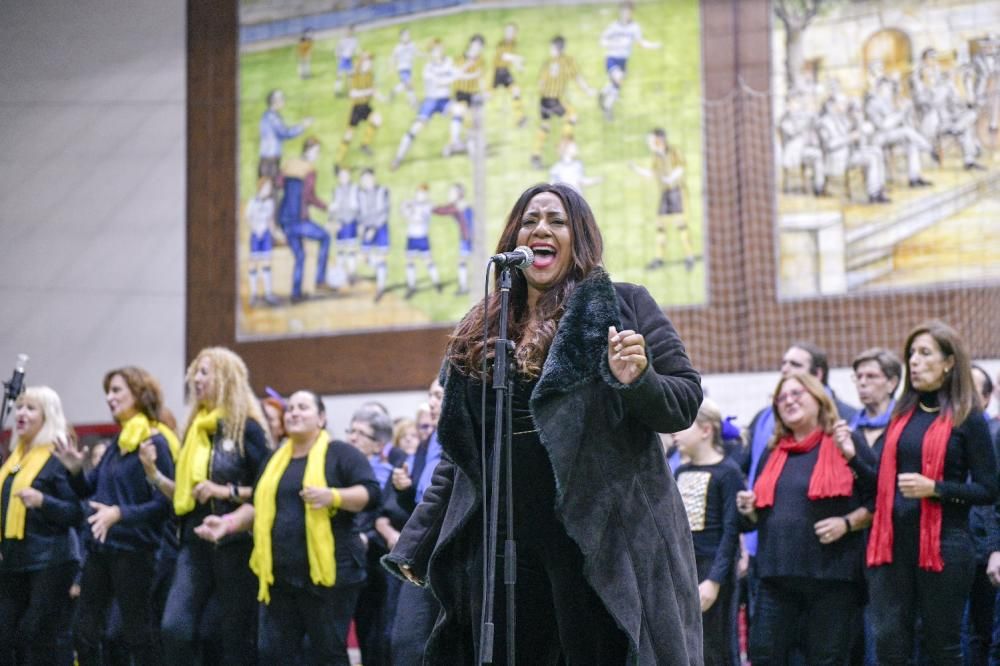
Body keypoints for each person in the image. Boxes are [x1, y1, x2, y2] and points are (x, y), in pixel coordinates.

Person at [383, 183, 704, 663]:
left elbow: (683, 401)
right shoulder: (480, 327)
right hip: (506, 549)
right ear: (514, 239)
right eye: (530, 220)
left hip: (601, 543)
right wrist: (418, 539)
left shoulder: (623, 304)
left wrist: (638, 380)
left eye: (557, 220)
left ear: (580, 237)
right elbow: (461, 451)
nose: (541, 229)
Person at [195, 390, 380, 665]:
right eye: (290, 408)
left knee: (328, 655)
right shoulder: (273, 460)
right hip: (280, 578)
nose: (293, 412)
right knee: (273, 655)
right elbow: (257, 506)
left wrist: (334, 496)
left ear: (321, 418)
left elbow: (371, 494)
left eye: (302, 407)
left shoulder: (341, 453)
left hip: (330, 579)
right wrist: (228, 523)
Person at [866, 321, 997, 664]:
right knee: (890, 645)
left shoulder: (968, 417)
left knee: (942, 647)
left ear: (949, 362)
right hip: (893, 547)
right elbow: (881, 479)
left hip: (945, 547)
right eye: (911, 353)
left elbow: (989, 489)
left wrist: (936, 488)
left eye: (925, 353)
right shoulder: (901, 414)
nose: (914, 361)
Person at [736, 372, 875, 664]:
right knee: (764, 656)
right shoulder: (773, 452)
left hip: (832, 578)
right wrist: (748, 509)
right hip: (776, 576)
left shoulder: (845, 441)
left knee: (827, 659)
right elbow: (755, 520)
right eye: (782, 398)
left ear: (819, 398)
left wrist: (847, 523)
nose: (789, 401)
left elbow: (879, 499)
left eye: (797, 394)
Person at [151, 348, 269, 665]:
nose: (196, 379)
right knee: (174, 627)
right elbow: (186, 493)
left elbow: (268, 490)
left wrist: (225, 490)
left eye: (205, 372)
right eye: (195, 373)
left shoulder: (248, 429)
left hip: (236, 545)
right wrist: (154, 475)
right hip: (192, 542)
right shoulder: (194, 431)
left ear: (227, 379)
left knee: (228, 638)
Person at [53, 367, 176, 666]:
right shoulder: (117, 445)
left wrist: (120, 514)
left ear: (139, 393)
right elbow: (88, 489)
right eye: (108, 391)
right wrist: (73, 469)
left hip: (135, 551)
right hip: (101, 550)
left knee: (136, 635)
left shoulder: (154, 442)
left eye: (117, 390)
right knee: (84, 633)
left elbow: (165, 506)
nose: (109, 397)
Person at [0, 386, 82, 666]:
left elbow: (76, 512)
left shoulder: (57, 459)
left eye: (30, 408)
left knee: (35, 637)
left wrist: (43, 501)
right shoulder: (13, 460)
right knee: (5, 636)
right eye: (20, 407)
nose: (21, 413)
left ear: (47, 416)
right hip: (13, 560)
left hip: (50, 560)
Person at [673, 398, 745, 666]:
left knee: (716, 646)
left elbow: (731, 532)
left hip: (713, 571)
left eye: (683, 426)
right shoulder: (680, 471)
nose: (675, 433)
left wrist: (714, 580)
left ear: (706, 430)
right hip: (684, 568)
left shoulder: (728, 473)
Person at [388, 382, 444, 666]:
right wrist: (404, 489)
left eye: (438, 395)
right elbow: (417, 503)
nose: (432, 402)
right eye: (429, 396)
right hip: (422, 548)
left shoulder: (464, 435)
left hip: (445, 549)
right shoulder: (427, 442)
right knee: (406, 640)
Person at [349, 407, 405, 666]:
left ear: (379, 444)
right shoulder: (342, 467)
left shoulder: (387, 473)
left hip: (378, 561)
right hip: (348, 561)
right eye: (352, 430)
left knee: (378, 631)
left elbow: (387, 514)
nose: (352, 438)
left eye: (361, 433)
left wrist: (368, 535)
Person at [630, 127, 695, 271]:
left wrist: (672, 177)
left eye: (651, 140)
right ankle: (659, 259)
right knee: (660, 227)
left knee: (681, 225)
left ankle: (689, 256)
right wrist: (637, 169)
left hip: (677, 192)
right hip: (665, 194)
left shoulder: (674, 151)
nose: (649, 143)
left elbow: (682, 166)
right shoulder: (655, 157)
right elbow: (652, 173)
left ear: (660, 140)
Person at [277, 137, 333, 303]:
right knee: (325, 237)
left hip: (284, 220)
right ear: (309, 151)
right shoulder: (309, 170)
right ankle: (320, 280)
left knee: (300, 256)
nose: (317, 155)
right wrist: (326, 207)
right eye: (316, 151)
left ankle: (296, 294)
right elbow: (309, 197)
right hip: (299, 221)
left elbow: (279, 183)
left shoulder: (289, 163)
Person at [391, 39, 457, 171]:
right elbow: (442, 81)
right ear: (431, 53)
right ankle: (398, 157)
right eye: (434, 50)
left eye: (439, 49)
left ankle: (453, 145)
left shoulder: (449, 61)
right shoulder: (428, 68)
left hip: (444, 100)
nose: (437, 53)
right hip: (431, 101)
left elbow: (455, 73)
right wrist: (455, 76)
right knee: (416, 128)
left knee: (461, 111)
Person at [530, 35, 594, 170]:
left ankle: (536, 156)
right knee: (572, 116)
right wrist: (587, 90)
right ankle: (564, 148)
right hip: (555, 100)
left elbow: (540, 83)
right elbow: (577, 77)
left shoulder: (547, 63)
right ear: (562, 48)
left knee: (545, 126)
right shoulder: (567, 61)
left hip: (544, 100)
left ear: (554, 48)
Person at [598, 1, 660, 121]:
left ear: (632, 13)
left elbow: (641, 42)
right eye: (624, 11)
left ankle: (605, 98)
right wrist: (613, 44)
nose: (626, 14)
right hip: (612, 59)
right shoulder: (614, 26)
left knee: (616, 88)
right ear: (620, 12)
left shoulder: (634, 27)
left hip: (623, 62)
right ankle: (606, 103)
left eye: (629, 12)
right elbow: (602, 40)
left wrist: (653, 46)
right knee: (618, 79)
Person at [850, 347, 903, 448]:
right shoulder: (850, 426)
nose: (862, 383)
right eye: (858, 377)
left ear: (892, 383)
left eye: (871, 376)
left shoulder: (905, 422)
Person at [336, 52, 381, 166]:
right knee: (349, 134)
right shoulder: (354, 75)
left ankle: (364, 145)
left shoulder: (370, 74)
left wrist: (382, 97)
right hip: (357, 108)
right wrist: (368, 91)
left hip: (365, 106)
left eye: (370, 61)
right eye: (368, 61)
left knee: (377, 120)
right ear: (362, 62)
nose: (370, 64)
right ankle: (338, 161)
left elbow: (372, 90)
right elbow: (353, 93)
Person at [258, 90, 312, 182]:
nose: (284, 101)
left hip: (268, 159)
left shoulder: (269, 115)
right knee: (270, 188)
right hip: (270, 160)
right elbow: (285, 133)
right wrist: (302, 126)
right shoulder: (272, 117)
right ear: (275, 101)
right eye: (282, 99)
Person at [445, 34, 486, 157]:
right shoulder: (460, 59)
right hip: (461, 93)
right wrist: (469, 68)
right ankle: (454, 144)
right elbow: (456, 74)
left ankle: (468, 145)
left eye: (480, 46)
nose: (477, 47)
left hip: (473, 94)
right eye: (475, 44)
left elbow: (481, 78)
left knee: (473, 121)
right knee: (461, 117)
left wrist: (483, 92)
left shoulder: (481, 61)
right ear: (470, 44)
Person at [431, 182, 474, 296]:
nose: (449, 195)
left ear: (459, 194)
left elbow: (442, 211)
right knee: (464, 261)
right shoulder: (461, 205)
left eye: (452, 192)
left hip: (468, 238)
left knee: (475, 261)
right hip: (468, 238)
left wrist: (431, 208)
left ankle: (464, 287)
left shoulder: (458, 207)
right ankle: (464, 287)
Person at [356, 168, 391, 302]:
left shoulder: (383, 191)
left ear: (374, 178)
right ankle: (379, 271)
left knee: (381, 257)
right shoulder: (360, 194)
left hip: (380, 228)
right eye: (364, 180)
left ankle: (380, 287)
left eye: (369, 179)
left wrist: (374, 228)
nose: (367, 182)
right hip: (366, 228)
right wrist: (361, 225)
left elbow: (385, 212)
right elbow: (359, 212)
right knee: (364, 257)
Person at [401, 183, 441, 299]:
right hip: (412, 237)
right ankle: (411, 286)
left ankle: (437, 283)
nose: (421, 195)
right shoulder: (412, 204)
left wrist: (410, 210)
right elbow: (405, 213)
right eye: (419, 192)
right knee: (410, 261)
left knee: (428, 260)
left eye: (423, 193)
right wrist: (406, 208)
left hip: (422, 237)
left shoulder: (428, 206)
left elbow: (419, 218)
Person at [246, 176, 281, 307]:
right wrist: (255, 229)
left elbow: (271, 220)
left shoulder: (270, 203)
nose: (269, 190)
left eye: (270, 187)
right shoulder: (252, 202)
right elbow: (248, 218)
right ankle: (254, 293)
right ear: (261, 187)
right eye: (267, 187)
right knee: (253, 263)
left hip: (266, 235)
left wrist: (275, 234)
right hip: (256, 235)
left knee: (266, 263)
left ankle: (268, 293)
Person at [491, 23, 526, 128]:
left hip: (505, 72)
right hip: (495, 72)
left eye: (512, 32)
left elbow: (512, 56)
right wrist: (517, 59)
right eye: (508, 31)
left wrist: (518, 65)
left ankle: (519, 118)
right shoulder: (501, 43)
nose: (510, 34)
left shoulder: (513, 43)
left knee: (516, 90)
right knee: (489, 96)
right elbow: (504, 56)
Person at [390, 28, 419, 107]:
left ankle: (393, 91)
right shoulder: (398, 48)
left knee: (405, 85)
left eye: (408, 35)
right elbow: (393, 57)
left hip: (409, 69)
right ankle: (413, 102)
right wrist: (392, 67)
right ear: (401, 37)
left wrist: (424, 55)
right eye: (405, 35)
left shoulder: (412, 45)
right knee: (409, 84)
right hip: (402, 69)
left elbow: (416, 53)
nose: (407, 37)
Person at [334, 25, 359, 97]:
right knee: (339, 76)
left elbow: (356, 50)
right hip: (343, 59)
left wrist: (357, 56)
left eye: (352, 31)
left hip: (349, 60)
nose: (350, 32)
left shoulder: (354, 40)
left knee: (351, 76)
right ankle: (337, 91)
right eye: (349, 31)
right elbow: (337, 49)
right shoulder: (342, 40)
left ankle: (350, 90)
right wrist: (338, 57)